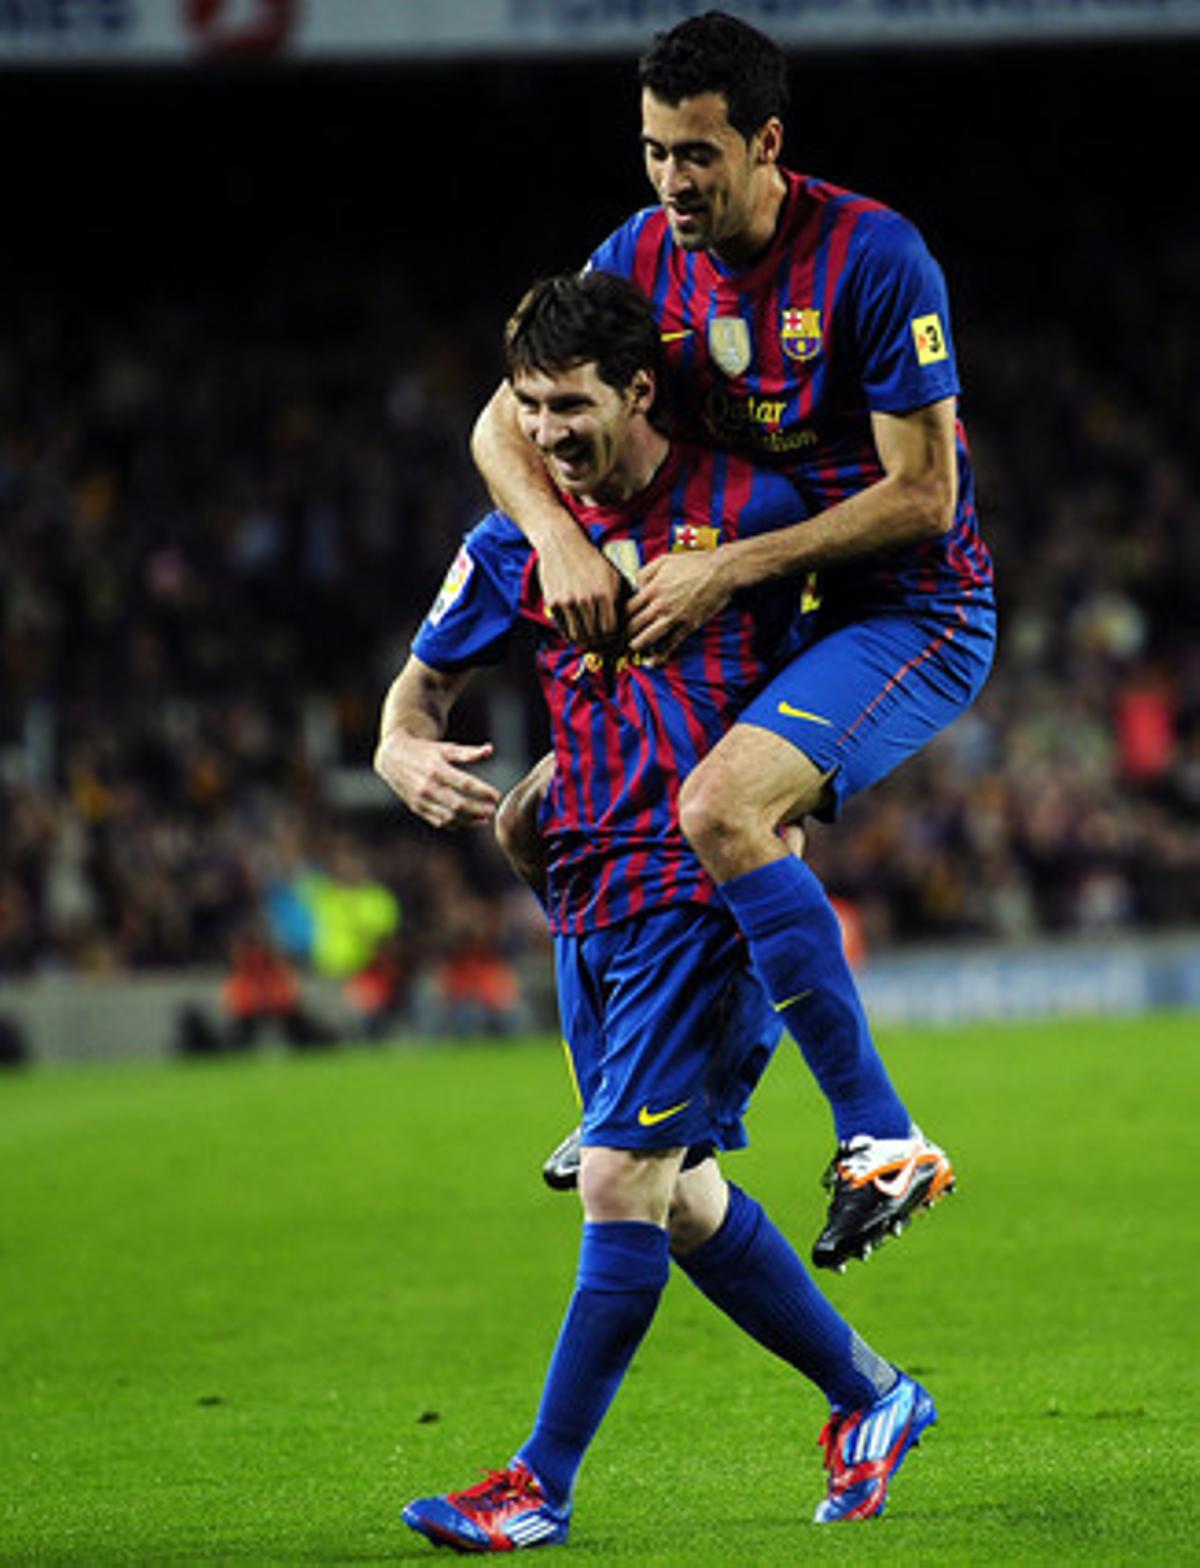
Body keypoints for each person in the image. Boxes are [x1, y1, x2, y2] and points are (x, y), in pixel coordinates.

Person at [376, 272, 937, 1551]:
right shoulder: (515, 542)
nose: (550, 434)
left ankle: (538, 1483)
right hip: (588, 909)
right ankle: (874, 1395)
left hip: (704, 904)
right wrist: (403, 752)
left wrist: (782, 801)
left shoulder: (757, 515)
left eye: (570, 406)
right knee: (681, 1200)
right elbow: (410, 705)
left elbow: (842, 687)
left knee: (624, 1179)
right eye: (528, 408)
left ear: (640, 391)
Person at [471, 10, 995, 1271]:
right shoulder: (639, 257)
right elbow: (501, 428)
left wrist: (727, 570)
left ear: (767, 143)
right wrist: (559, 540)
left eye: (697, 154)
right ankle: (639, 1099)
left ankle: (881, 1132)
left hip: (903, 610)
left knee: (719, 810)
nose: (672, 182)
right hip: (761, 608)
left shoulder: (874, 258)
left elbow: (926, 493)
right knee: (538, 823)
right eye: (654, 151)